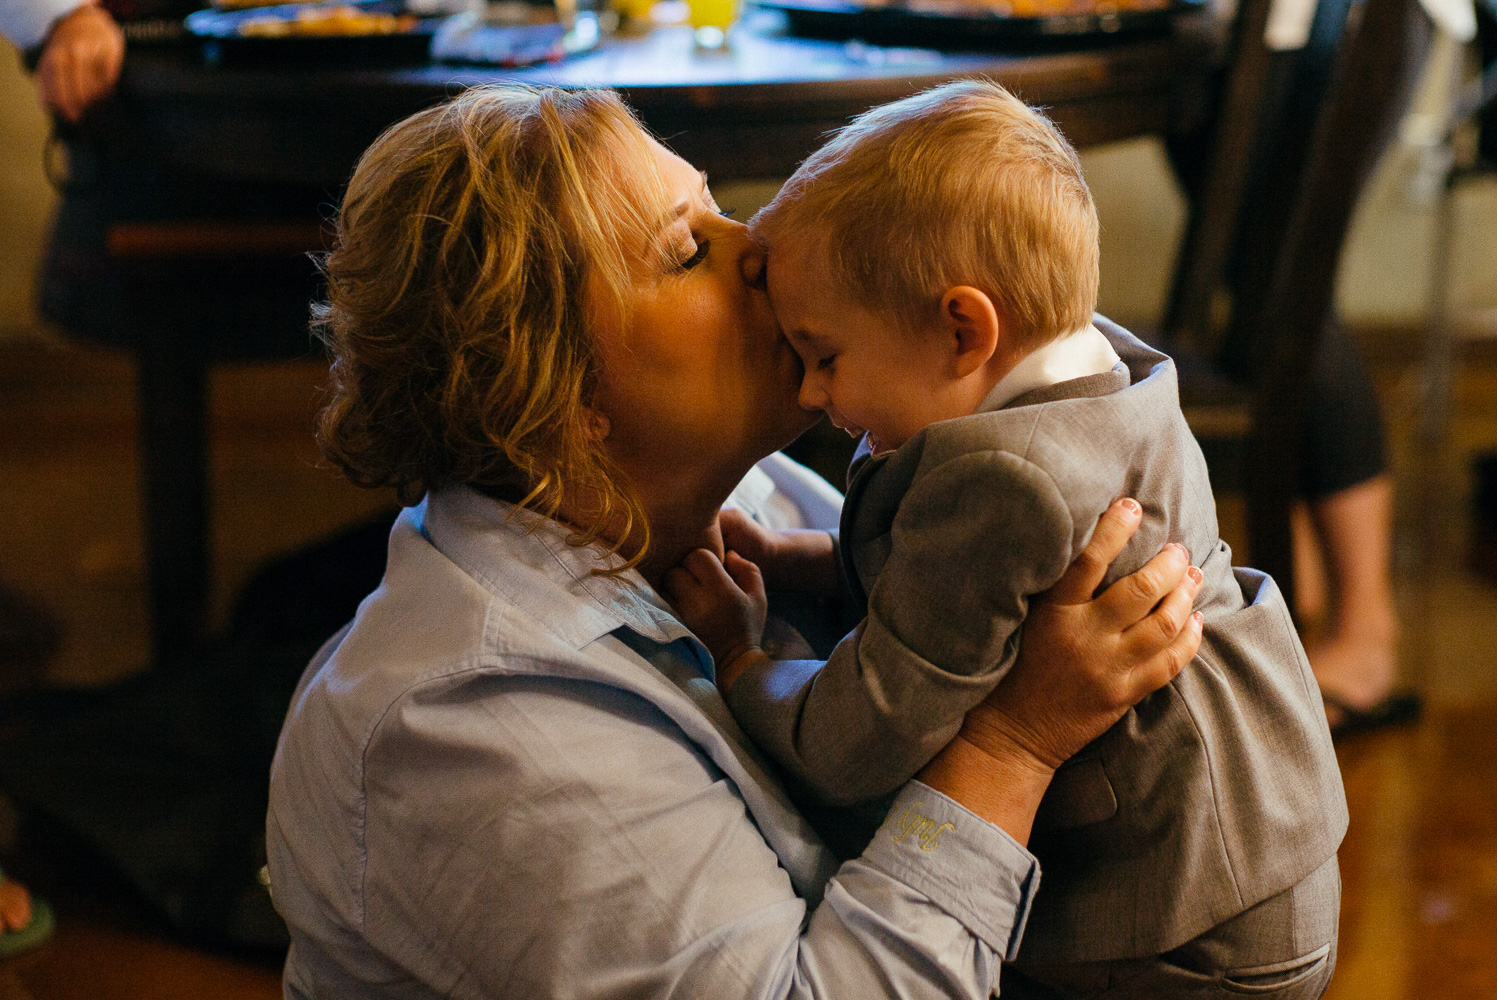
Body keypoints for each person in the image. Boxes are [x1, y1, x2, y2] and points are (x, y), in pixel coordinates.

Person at [265, 83, 1205, 999]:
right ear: (555, 395)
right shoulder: (477, 735)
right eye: (684, 252)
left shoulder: (752, 494)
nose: (752, 247)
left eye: (714, 208)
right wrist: (1012, 749)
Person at [665, 80, 1345, 998]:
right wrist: (800, 560)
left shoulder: (1004, 477)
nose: (812, 394)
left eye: (825, 356)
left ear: (962, 329)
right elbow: (977, 603)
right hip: (1264, 854)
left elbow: (860, 735)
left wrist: (739, 659)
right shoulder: (1104, 364)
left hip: (1177, 923)